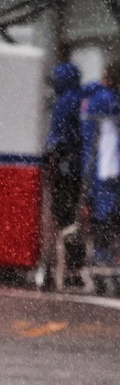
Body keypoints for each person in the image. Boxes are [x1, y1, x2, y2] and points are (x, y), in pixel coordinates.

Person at [82, 62, 120, 291]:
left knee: (102, 221)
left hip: (102, 173)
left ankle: (103, 265)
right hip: (107, 173)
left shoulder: (95, 98)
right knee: (106, 220)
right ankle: (105, 267)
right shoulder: (106, 101)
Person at [47, 58, 85, 281]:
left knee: (63, 217)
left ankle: (66, 266)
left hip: (65, 169)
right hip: (79, 168)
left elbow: (58, 139)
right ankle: (75, 267)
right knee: (75, 218)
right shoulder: (82, 98)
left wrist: (52, 154)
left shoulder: (64, 102)